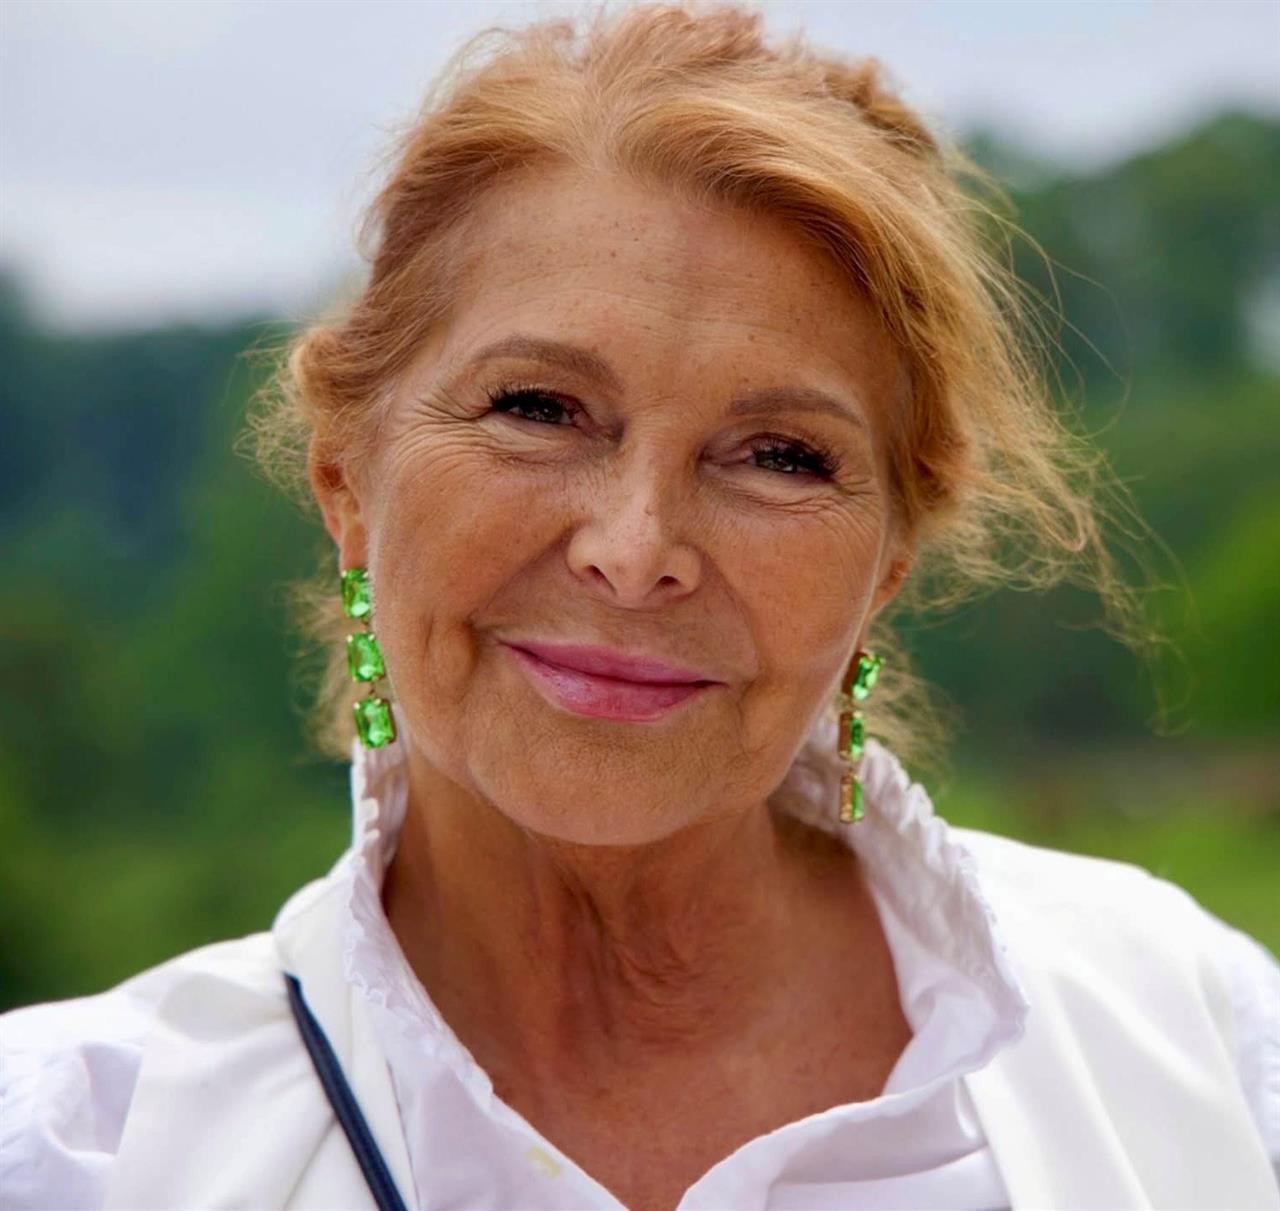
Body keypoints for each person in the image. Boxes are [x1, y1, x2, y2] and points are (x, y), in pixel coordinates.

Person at [3, 3, 1277, 1209]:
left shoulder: (1189, 1039)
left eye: (779, 455)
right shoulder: (78, 1147)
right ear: (346, 479)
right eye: (538, 409)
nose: (634, 550)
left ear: (888, 562)